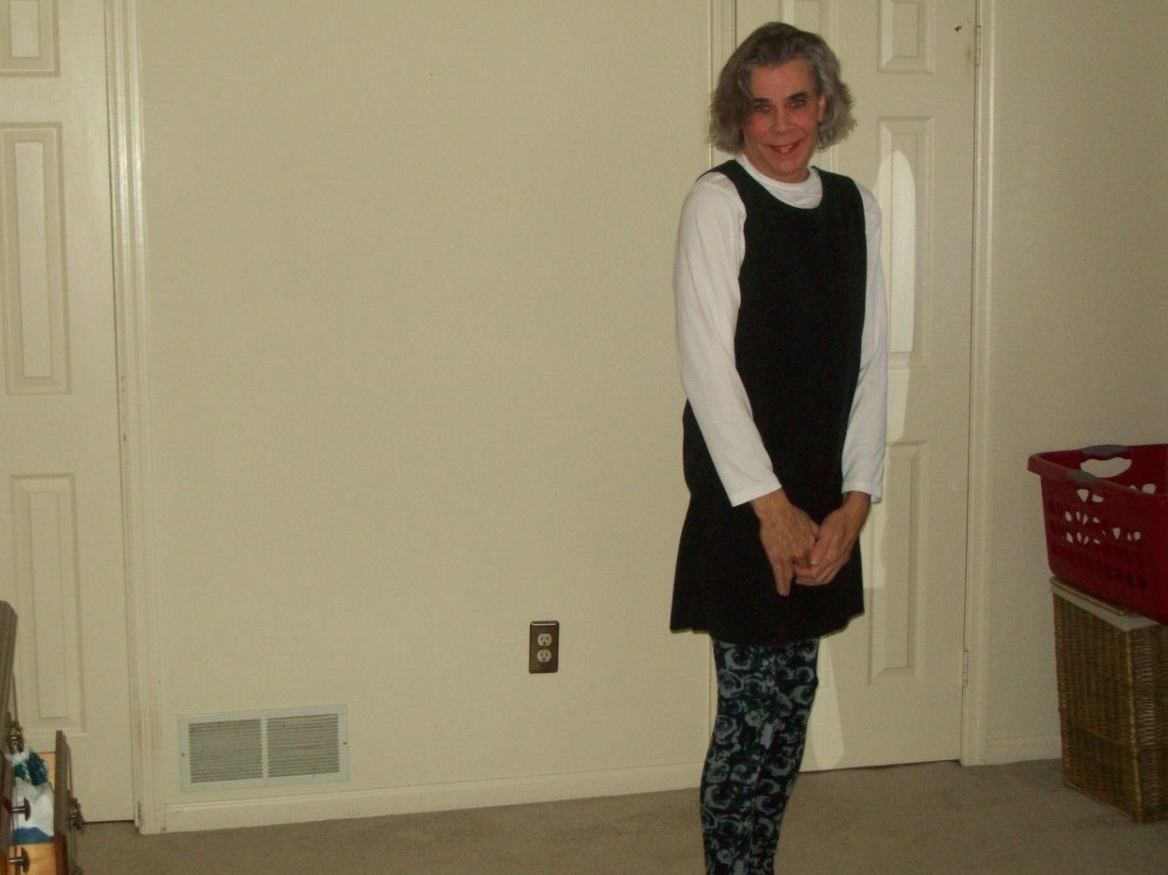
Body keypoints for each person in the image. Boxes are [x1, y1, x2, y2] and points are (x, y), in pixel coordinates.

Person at [670, 22, 888, 875]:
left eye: (796, 102)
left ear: (824, 104)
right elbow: (708, 370)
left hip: (824, 501)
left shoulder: (856, 208)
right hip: (745, 500)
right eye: (760, 108)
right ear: (739, 115)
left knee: (790, 711)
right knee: (749, 719)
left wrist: (856, 502)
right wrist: (771, 509)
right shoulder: (718, 203)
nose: (781, 125)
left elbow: (870, 362)